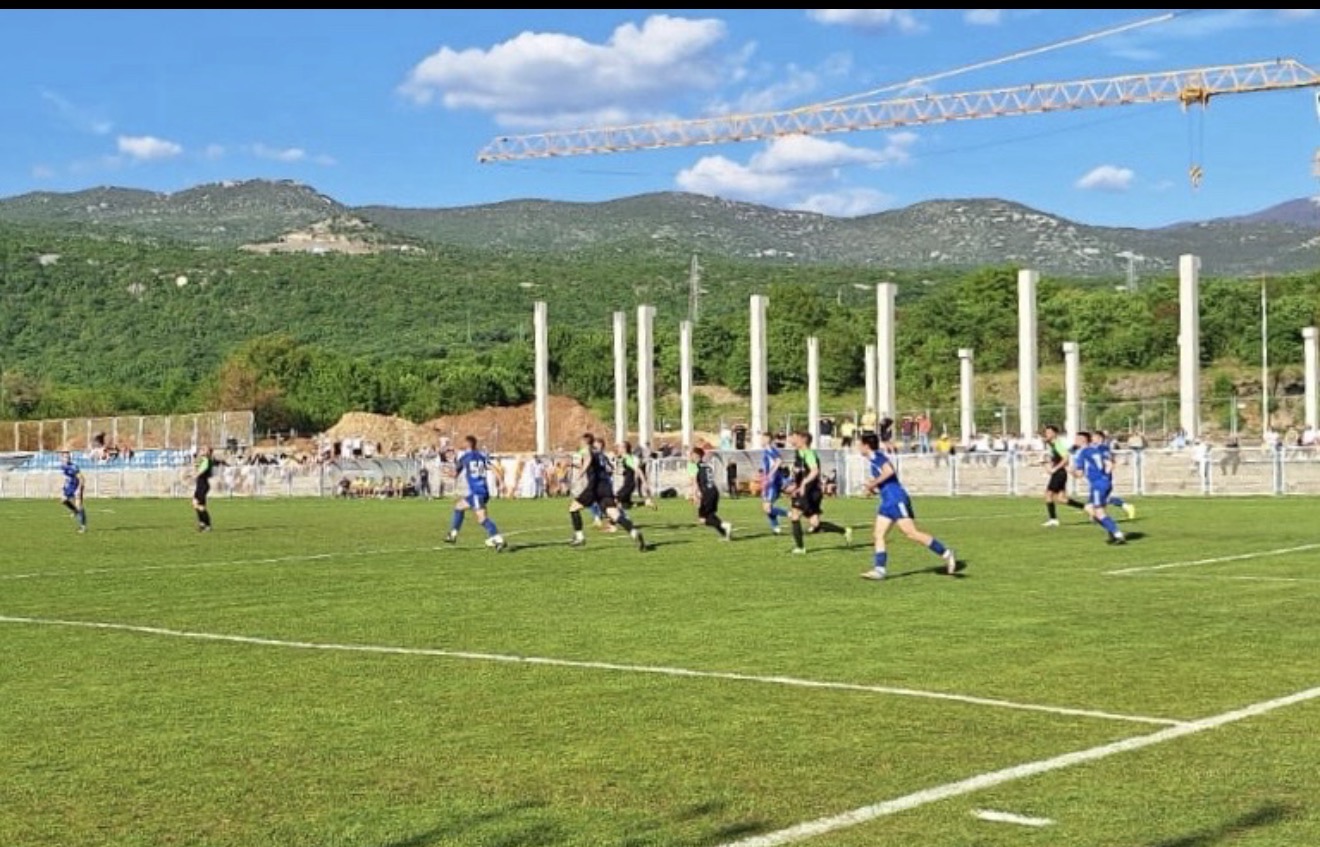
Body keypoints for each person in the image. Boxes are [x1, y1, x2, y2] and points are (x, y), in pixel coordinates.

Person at [858, 434, 957, 580]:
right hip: (887, 501)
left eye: (860, 444)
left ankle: (946, 553)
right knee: (878, 535)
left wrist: (872, 483)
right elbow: (886, 481)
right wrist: (873, 489)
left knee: (911, 533)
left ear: (866, 446)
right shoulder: (872, 460)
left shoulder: (878, 457)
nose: (858, 447)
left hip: (896, 499)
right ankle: (879, 570)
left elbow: (889, 471)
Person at [568, 433, 646, 551]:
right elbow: (609, 468)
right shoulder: (601, 454)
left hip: (594, 487)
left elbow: (588, 459)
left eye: (581, 441)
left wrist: (582, 472)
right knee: (614, 514)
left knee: (573, 508)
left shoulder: (587, 450)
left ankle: (580, 537)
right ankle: (634, 532)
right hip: (606, 487)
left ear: (584, 442)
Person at [785, 430, 851, 554]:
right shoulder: (799, 453)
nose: (792, 439)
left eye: (795, 437)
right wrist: (795, 485)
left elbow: (814, 471)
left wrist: (803, 484)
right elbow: (801, 473)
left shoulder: (808, 453)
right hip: (810, 491)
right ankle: (844, 531)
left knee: (795, 515)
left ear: (803, 440)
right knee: (815, 523)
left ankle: (800, 548)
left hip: (809, 491)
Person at [445, 435, 506, 551]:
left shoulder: (465, 458)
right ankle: (453, 534)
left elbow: (455, 474)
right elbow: (494, 468)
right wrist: (501, 482)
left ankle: (498, 539)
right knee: (459, 506)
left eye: (464, 443)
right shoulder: (482, 456)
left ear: (467, 444)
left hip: (477, 492)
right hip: (482, 491)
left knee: (482, 519)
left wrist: (448, 473)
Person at [1073, 431, 1125, 545]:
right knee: (1089, 509)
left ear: (1083, 440)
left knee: (1099, 512)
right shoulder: (1098, 449)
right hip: (1104, 482)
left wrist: (1070, 470)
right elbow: (1109, 464)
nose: (1074, 441)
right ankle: (1112, 532)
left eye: (1076, 439)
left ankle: (1117, 534)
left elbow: (1079, 474)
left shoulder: (1083, 452)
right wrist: (1106, 477)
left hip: (1098, 484)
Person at [1041, 424, 1086, 527]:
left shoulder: (1058, 444)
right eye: (1046, 432)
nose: (1046, 434)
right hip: (1060, 473)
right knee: (1061, 498)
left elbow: (1066, 458)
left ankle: (1053, 519)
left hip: (1059, 473)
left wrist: (1055, 469)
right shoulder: (1052, 444)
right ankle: (1087, 507)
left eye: (1049, 432)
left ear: (1055, 433)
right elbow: (1057, 458)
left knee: (1048, 494)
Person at [1090, 430, 1136, 520]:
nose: (1092, 439)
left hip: (1103, 477)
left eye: (1094, 437)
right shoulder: (1098, 448)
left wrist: (1105, 476)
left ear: (1099, 438)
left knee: (1100, 497)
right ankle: (1097, 516)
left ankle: (1125, 506)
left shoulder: (1102, 448)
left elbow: (1110, 463)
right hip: (1099, 476)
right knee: (1100, 498)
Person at [690, 447, 733, 540]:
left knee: (703, 519)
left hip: (707, 493)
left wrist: (695, 495)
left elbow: (696, 483)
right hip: (714, 491)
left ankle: (724, 525)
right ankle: (726, 535)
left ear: (696, 456)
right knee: (710, 515)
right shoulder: (707, 466)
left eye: (691, 455)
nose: (690, 457)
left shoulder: (697, 468)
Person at [758, 431, 789, 535]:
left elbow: (779, 461)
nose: (761, 440)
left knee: (767, 508)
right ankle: (776, 528)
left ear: (767, 439)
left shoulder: (770, 449)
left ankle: (789, 513)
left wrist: (770, 474)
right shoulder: (766, 450)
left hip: (773, 482)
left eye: (762, 438)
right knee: (767, 507)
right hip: (769, 482)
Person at [58, 451, 88, 534]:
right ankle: (74, 511)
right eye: (65, 457)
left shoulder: (73, 467)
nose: (67, 459)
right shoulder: (62, 466)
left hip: (77, 486)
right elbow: (68, 477)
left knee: (79, 506)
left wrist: (79, 489)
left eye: (68, 457)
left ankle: (83, 527)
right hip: (69, 487)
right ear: (61, 458)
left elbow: (82, 479)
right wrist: (65, 485)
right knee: (63, 500)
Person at [192, 446, 216, 532]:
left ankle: (207, 525)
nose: (201, 450)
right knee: (195, 504)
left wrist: (196, 474)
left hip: (203, 484)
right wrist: (196, 462)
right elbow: (196, 466)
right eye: (201, 449)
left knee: (201, 506)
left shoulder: (207, 460)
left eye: (204, 449)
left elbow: (204, 469)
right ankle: (202, 523)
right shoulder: (203, 459)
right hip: (200, 484)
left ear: (208, 452)